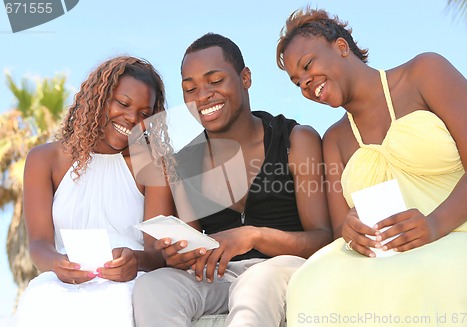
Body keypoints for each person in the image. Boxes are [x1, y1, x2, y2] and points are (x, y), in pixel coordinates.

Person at [276, 7, 467, 327]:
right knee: (310, 283)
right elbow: (341, 230)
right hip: (384, 260)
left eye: (308, 65)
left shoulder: (425, 73)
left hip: (459, 240)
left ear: (341, 47)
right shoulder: (334, 139)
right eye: (297, 82)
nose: (306, 84)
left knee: (439, 277)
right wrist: (352, 231)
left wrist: (433, 225)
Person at [132, 33, 332, 327]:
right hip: (220, 275)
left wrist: (253, 236)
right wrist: (178, 255)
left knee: (256, 283)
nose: (202, 96)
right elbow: (194, 249)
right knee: (154, 287)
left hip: (284, 270)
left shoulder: (295, 139)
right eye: (190, 89)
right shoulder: (183, 161)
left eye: (215, 81)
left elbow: (323, 238)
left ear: (245, 78)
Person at [13, 56, 176, 327]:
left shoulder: (152, 164)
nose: (132, 119)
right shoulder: (44, 159)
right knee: (39, 301)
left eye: (144, 114)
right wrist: (57, 264)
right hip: (63, 280)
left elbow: (157, 253)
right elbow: (38, 243)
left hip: (129, 282)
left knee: (115, 306)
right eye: (122, 104)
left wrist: (134, 261)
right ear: (97, 98)